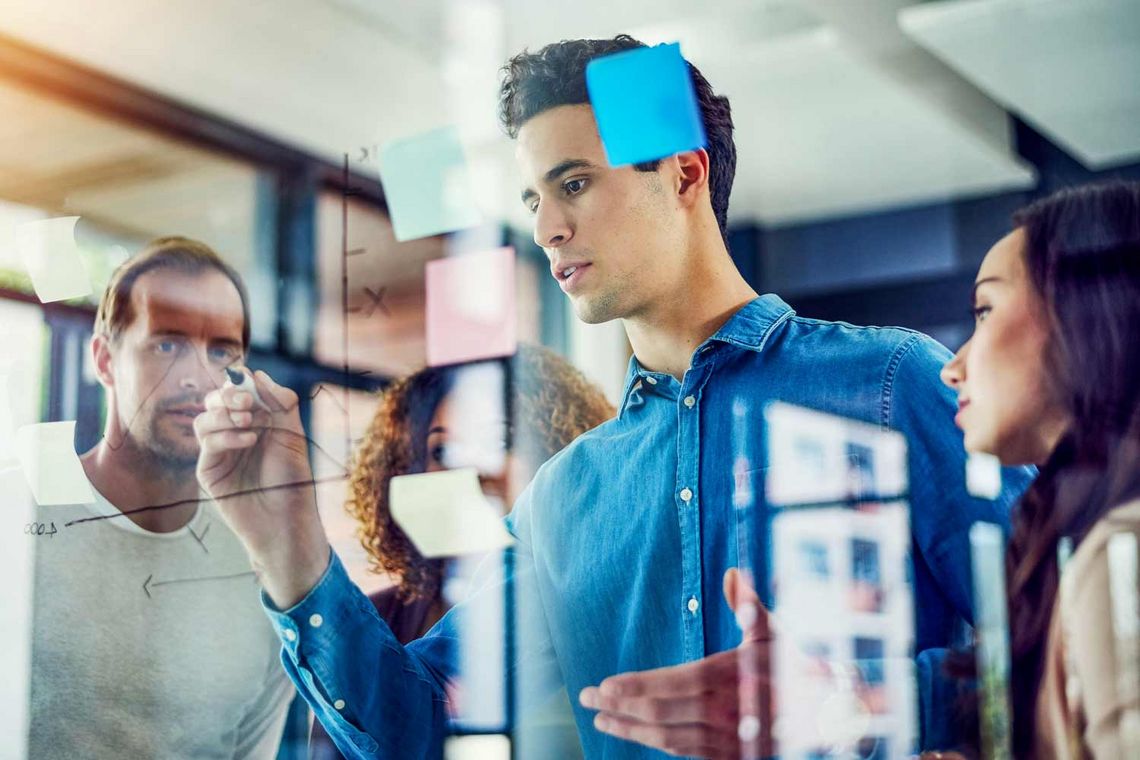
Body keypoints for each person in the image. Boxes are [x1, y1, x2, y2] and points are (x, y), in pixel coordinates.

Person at [195, 36, 1033, 758]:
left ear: (684, 172)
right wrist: (290, 548)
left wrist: (870, 700)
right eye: (533, 198)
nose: (545, 228)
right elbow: (415, 729)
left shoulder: (892, 386)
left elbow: (1065, 641)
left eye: (574, 184)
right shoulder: (563, 499)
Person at [27, 237, 294, 758]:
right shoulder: (14, 515)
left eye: (221, 351)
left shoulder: (262, 563)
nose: (198, 377)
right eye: (167, 345)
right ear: (105, 360)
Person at [309, 344, 614, 758]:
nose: (470, 470)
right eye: (441, 451)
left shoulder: (592, 607)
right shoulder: (372, 623)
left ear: (553, 448)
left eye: (497, 440)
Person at [940, 181, 1140, 758]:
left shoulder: (1120, 548)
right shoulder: (1079, 539)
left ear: (1084, 314)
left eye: (985, 311)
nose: (953, 368)